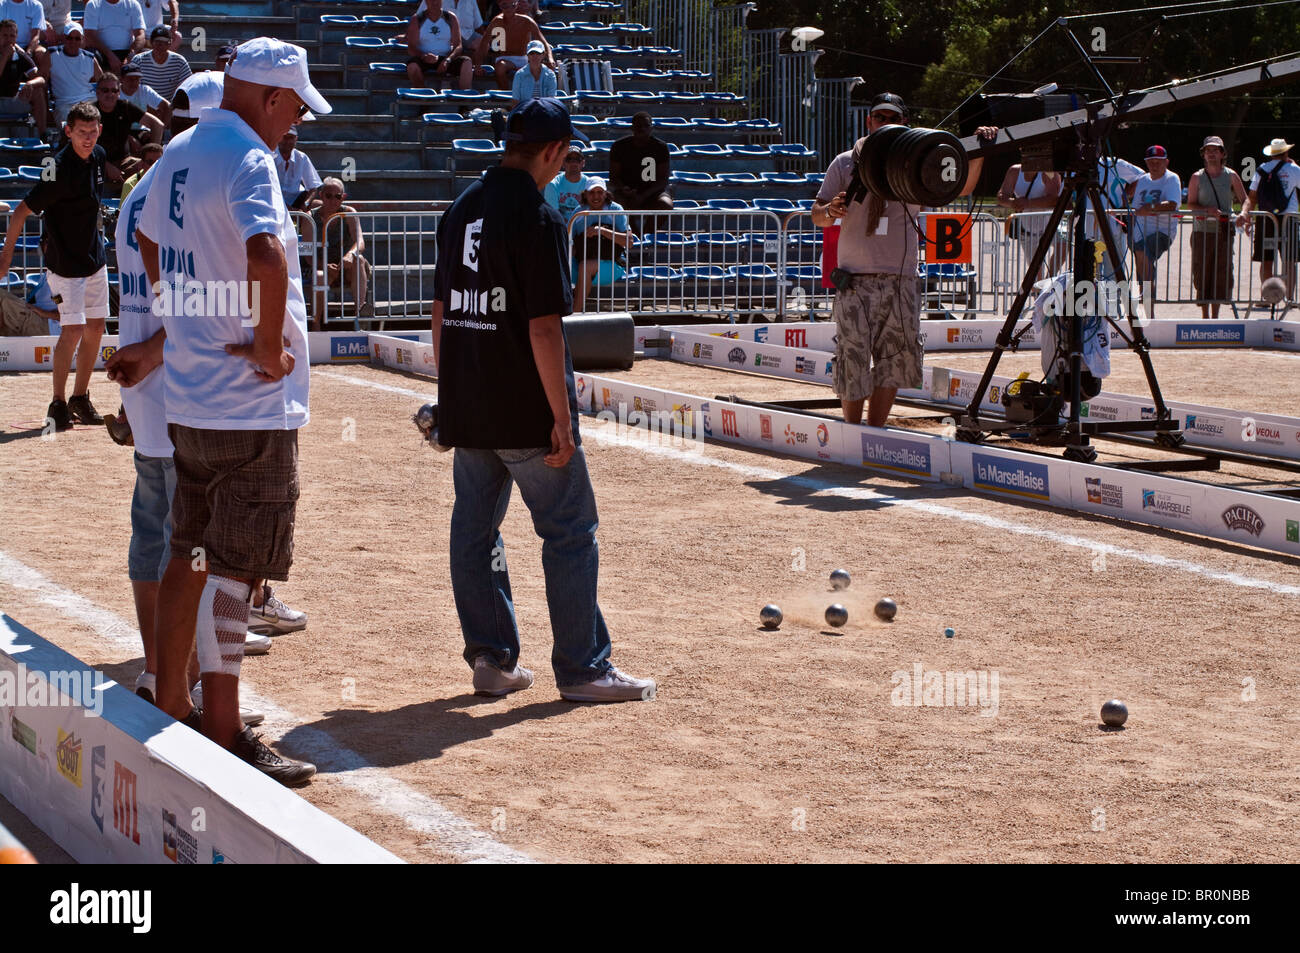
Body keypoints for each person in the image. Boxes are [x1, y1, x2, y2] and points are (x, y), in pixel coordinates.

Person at [135, 36, 327, 784]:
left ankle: (172, 699)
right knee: (238, 569)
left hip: (189, 396)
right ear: (270, 98)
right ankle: (222, 728)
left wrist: (183, 315)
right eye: (295, 109)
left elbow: (150, 237)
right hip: (249, 407)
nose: (296, 125)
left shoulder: (178, 148)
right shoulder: (248, 158)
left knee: (188, 550)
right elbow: (266, 256)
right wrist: (270, 346)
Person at [431, 97, 656, 703]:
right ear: (555, 152)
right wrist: (562, 416)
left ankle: (491, 656)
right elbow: (543, 328)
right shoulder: (539, 218)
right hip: (523, 404)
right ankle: (583, 668)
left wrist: (448, 393)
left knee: (474, 532)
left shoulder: (461, 206)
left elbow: (440, 313)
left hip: (471, 401)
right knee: (569, 531)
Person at [810, 92, 991, 426]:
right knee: (852, 358)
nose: (885, 123)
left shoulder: (916, 160)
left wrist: (979, 151)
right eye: (879, 117)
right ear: (869, 121)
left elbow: (960, 187)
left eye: (892, 118)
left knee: (895, 360)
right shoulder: (846, 162)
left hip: (900, 277)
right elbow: (817, 214)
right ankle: (852, 431)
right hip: (854, 277)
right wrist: (830, 210)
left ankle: (875, 430)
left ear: (904, 123)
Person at [0, 100, 108, 431]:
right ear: (68, 131)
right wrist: (5, 258)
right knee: (73, 330)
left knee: (96, 328)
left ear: (99, 130)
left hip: (94, 259)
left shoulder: (100, 157)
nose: (88, 138)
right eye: (82, 133)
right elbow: (20, 212)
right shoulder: (56, 169)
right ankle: (58, 402)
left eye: (93, 132)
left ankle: (80, 398)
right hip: (64, 266)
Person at [1187, 135, 1246, 319]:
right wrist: (1206, 210)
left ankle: (1215, 317)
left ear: (1222, 154)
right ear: (1203, 155)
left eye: (1215, 150)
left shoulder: (1231, 175)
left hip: (1224, 232)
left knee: (1222, 273)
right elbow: (1190, 204)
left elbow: (1245, 199)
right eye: (1208, 150)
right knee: (1202, 273)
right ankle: (1205, 316)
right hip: (1201, 233)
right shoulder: (1197, 177)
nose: (1211, 154)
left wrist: (1243, 213)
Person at [1236, 137, 1300, 303]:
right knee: (1289, 260)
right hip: (1289, 218)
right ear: (1286, 152)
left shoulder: (1262, 169)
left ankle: (1267, 298)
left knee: (1266, 259)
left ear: (1271, 153)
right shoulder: (1295, 169)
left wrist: (1246, 213)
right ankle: (1289, 299)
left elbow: (1252, 197)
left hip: (1266, 219)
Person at [309, 176, 370, 327]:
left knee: (359, 259)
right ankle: (316, 326)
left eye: (337, 196)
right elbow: (307, 252)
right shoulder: (310, 217)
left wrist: (349, 255)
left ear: (343, 198)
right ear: (321, 195)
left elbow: (360, 241)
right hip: (322, 267)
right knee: (319, 275)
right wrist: (323, 265)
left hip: (348, 267)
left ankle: (360, 318)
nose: (333, 200)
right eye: (328, 195)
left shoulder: (349, 212)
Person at [1130, 144, 1181, 317]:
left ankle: (1149, 310)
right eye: (1150, 161)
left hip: (1163, 231)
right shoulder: (1143, 180)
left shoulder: (1172, 179)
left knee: (1143, 254)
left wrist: (1151, 207)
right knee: (1141, 264)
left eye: (1158, 161)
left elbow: (1172, 204)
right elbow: (1136, 207)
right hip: (1140, 229)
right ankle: (1146, 309)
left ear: (1166, 162)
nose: (1154, 164)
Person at [569, 176, 631, 312]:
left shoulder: (616, 209)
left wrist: (601, 231)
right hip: (582, 263)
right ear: (585, 194)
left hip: (612, 264)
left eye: (599, 192)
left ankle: (574, 314)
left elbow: (629, 241)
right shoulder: (578, 212)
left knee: (585, 267)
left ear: (605, 193)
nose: (596, 196)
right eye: (592, 192)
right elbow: (570, 244)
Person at [94, 70, 162, 188]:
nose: (110, 94)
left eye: (114, 90)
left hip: (124, 162)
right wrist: (106, 166)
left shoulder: (125, 107)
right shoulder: (90, 112)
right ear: (97, 92)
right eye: (105, 90)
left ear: (119, 93)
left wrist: (150, 155)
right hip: (96, 162)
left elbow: (157, 124)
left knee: (151, 169)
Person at [995, 157, 1061, 279]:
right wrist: (1013, 203)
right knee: (1036, 277)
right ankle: (1044, 286)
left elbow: (1053, 199)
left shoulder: (1049, 171)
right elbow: (1001, 196)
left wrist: (1028, 203)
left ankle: (1051, 276)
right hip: (1028, 231)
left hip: (1051, 227)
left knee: (1063, 244)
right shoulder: (1014, 171)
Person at [474, 0, 555, 92]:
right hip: (505, 58)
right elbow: (483, 44)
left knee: (542, 66)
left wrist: (550, 58)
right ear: (500, 7)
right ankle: (506, 96)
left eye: (512, 5)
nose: (509, 9)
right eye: (505, 5)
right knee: (500, 67)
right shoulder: (496, 21)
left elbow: (543, 42)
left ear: (516, 5)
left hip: (524, 58)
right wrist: (478, 65)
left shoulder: (527, 21)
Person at [609, 111, 672, 214]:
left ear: (651, 128)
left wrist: (643, 196)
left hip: (653, 193)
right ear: (632, 128)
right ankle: (633, 230)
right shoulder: (619, 146)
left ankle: (648, 230)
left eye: (646, 126)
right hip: (625, 193)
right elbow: (614, 177)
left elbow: (663, 180)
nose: (642, 129)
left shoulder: (661, 147)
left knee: (665, 204)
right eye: (638, 126)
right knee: (617, 205)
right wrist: (624, 188)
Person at [404, 0, 470, 90]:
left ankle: (464, 99)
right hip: (424, 59)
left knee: (467, 63)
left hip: (445, 58)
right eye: (431, 0)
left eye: (437, 0)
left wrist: (448, 60)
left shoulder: (451, 18)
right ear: (426, 2)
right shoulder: (417, 19)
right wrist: (424, 56)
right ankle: (424, 98)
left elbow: (458, 46)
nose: (434, 3)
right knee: (412, 67)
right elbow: (411, 48)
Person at [0, 17, 48, 136]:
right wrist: (5, 57)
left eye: (12, 36)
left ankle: (43, 135)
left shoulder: (20, 55)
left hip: (12, 100)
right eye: (5, 35)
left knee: (38, 91)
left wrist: (30, 83)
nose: (8, 39)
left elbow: (41, 78)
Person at [47, 22, 101, 126]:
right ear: (63, 38)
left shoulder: (90, 59)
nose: (73, 42)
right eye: (69, 38)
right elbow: (43, 78)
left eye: (77, 39)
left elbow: (103, 82)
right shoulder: (51, 55)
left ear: (82, 40)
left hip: (89, 101)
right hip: (64, 104)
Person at [83, 0, 145, 75]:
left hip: (128, 52)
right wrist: (110, 56)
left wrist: (130, 55)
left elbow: (140, 35)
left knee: (145, 54)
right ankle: (99, 84)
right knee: (90, 55)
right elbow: (90, 36)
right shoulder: (93, 4)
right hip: (102, 53)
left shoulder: (133, 4)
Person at [127, 23, 188, 99]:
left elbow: (187, 87)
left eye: (164, 43)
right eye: (157, 42)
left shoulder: (180, 61)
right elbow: (129, 86)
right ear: (151, 43)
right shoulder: (138, 60)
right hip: (143, 106)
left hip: (170, 107)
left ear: (170, 44)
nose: (160, 46)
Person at [273, 127, 321, 210]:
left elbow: (313, 187)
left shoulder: (302, 157)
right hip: (274, 200)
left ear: (296, 139)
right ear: (278, 137)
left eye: (291, 137)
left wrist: (305, 204)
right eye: (284, 137)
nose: (287, 141)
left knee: (321, 205)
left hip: (296, 201)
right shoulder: (270, 156)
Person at [543, 145, 589, 220]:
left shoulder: (589, 185)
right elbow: (554, 216)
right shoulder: (552, 184)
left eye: (577, 159)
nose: (573, 163)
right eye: (569, 159)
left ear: (583, 163)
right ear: (563, 163)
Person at [120, 60, 169, 125]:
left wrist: (163, 127)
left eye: (137, 79)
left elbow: (167, 106)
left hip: (142, 131)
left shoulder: (145, 90)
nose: (134, 83)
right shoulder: (113, 91)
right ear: (121, 79)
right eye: (130, 79)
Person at [509, 38, 555, 106]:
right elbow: (515, 101)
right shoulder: (519, 75)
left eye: (538, 53)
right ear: (527, 55)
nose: (535, 56)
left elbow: (551, 101)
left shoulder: (550, 75)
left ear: (543, 55)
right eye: (531, 53)